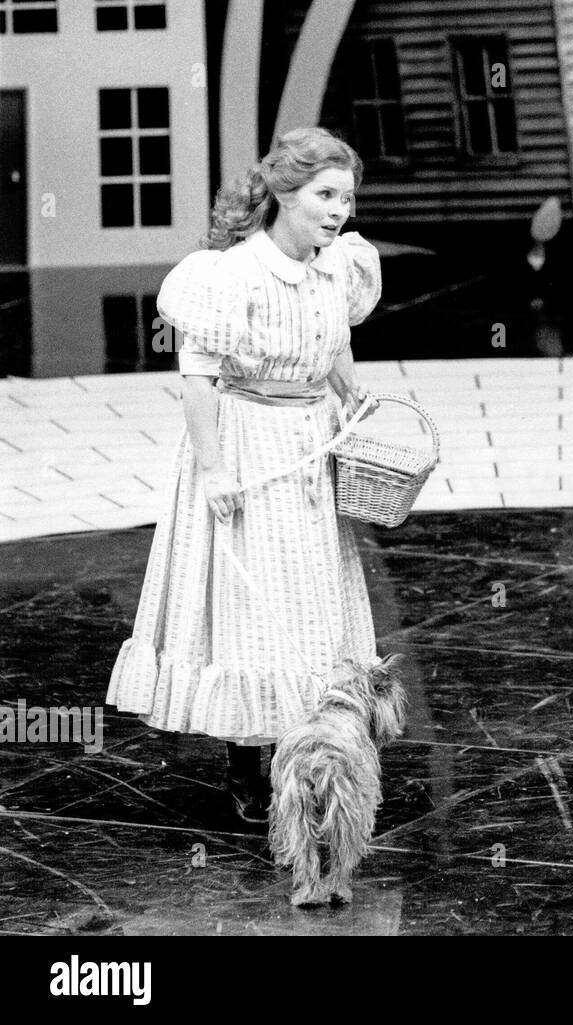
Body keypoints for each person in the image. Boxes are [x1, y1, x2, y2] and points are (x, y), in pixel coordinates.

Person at [107, 127, 382, 824]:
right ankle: (245, 769)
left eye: (346, 197)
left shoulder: (335, 265)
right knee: (250, 609)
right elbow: (196, 378)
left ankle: (311, 752)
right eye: (324, 195)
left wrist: (354, 395)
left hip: (310, 449)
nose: (338, 209)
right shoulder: (229, 275)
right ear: (285, 195)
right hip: (248, 448)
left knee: (312, 603)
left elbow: (334, 344)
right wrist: (214, 469)